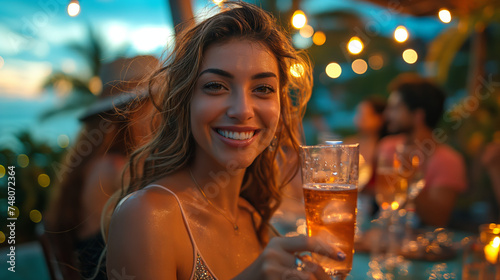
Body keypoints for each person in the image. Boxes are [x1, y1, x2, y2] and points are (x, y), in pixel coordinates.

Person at [105, 2, 345, 279]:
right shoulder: (147, 216)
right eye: (216, 86)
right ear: (185, 102)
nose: (242, 110)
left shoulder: (255, 220)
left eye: (263, 89)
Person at [44, 55, 158, 279]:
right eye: (154, 102)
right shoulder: (115, 169)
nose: (162, 112)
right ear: (134, 112)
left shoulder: (96, 162)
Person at [377, 73, 467, 227]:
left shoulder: (449, 160)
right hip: (385, 235)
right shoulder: (387, 147)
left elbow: (438, 220)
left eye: (395, 108)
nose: (386, 114)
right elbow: (382, 200)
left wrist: (409, 178)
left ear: (418, 115)